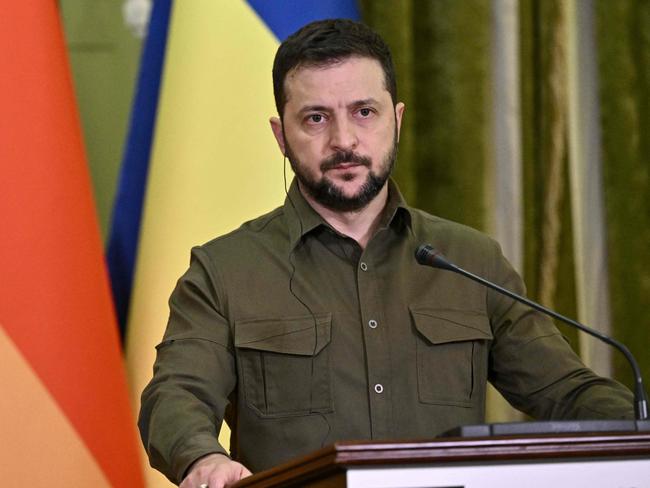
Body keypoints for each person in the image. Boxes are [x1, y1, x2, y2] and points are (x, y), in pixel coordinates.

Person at [138, 18, 634, 488]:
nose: (344, 140)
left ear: (396, 119)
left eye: (364, 112)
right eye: (315, 118)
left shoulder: (470, 260)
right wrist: (202, 457)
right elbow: (175, 395)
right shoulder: (224, 272)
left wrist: (635, 425)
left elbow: (569, 394)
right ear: (281, 136)